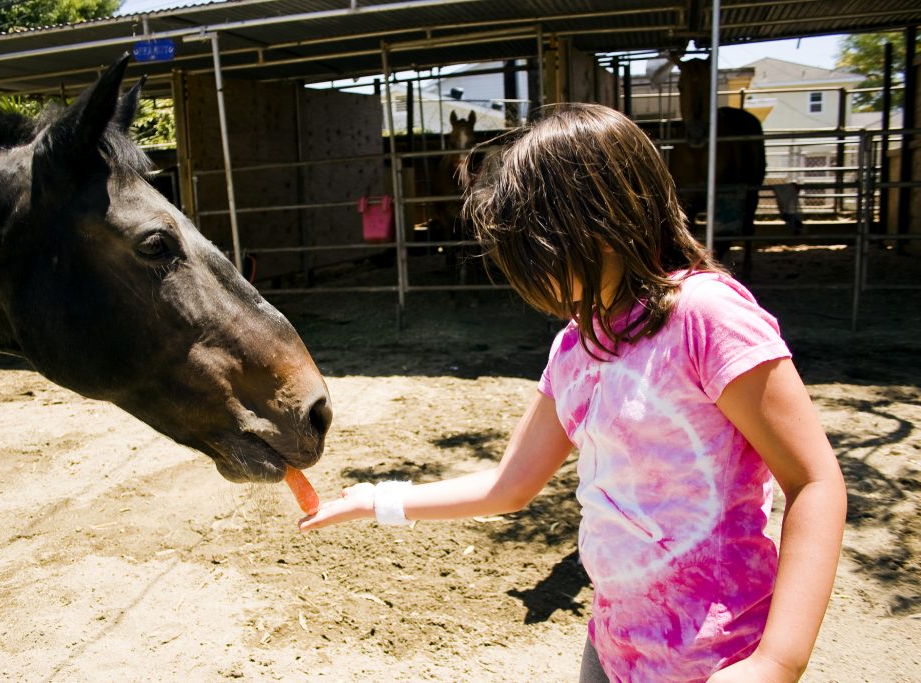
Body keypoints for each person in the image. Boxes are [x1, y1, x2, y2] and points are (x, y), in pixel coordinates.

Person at [298, 104, 846, 683]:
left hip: (717, 659)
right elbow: (508, 485)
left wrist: (778, 661)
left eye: (533, 248)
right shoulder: (576, 346)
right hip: (613, 646)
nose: (524, 274)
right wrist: (375, 502)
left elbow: (813, 479)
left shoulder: (706, 317)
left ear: (601, 219)